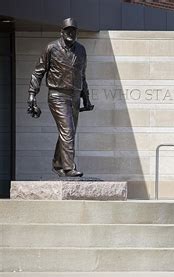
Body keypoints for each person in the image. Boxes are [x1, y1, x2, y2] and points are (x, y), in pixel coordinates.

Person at [27, 17, 94, 177]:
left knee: (68, 132)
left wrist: (87, 98)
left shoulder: (81, 50)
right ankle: (69, 168)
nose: (71, 33)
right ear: (61, 32)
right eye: (68, 30)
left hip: (75, 96)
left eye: (73, 30)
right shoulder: (51, 48)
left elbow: (82, 76)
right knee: (68, 131)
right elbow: (38, 72)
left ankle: (58, 164)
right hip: (57, 95)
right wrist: (32, 95)